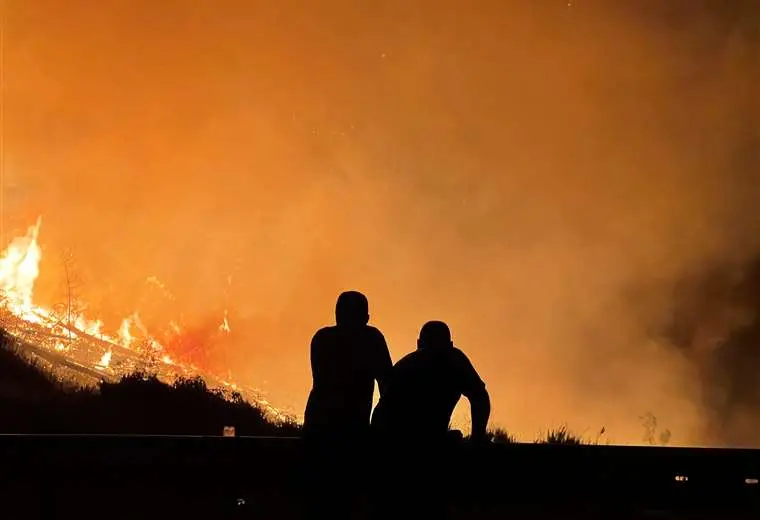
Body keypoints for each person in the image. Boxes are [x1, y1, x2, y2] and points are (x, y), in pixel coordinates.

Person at [371, 320, 490, 443]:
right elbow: (385, 412)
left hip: (412, 435)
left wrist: (477, 439)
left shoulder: (455, 361)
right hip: (397, 436)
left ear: (418, 344)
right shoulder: (409, 366)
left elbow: (480, 397)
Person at [302, 290, 393, 442]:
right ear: (366, 318)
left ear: (336, 314)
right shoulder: (371, 339)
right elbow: (388, 386)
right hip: (354, 429)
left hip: (317, 426)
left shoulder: (322, 338)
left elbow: (322, 382)